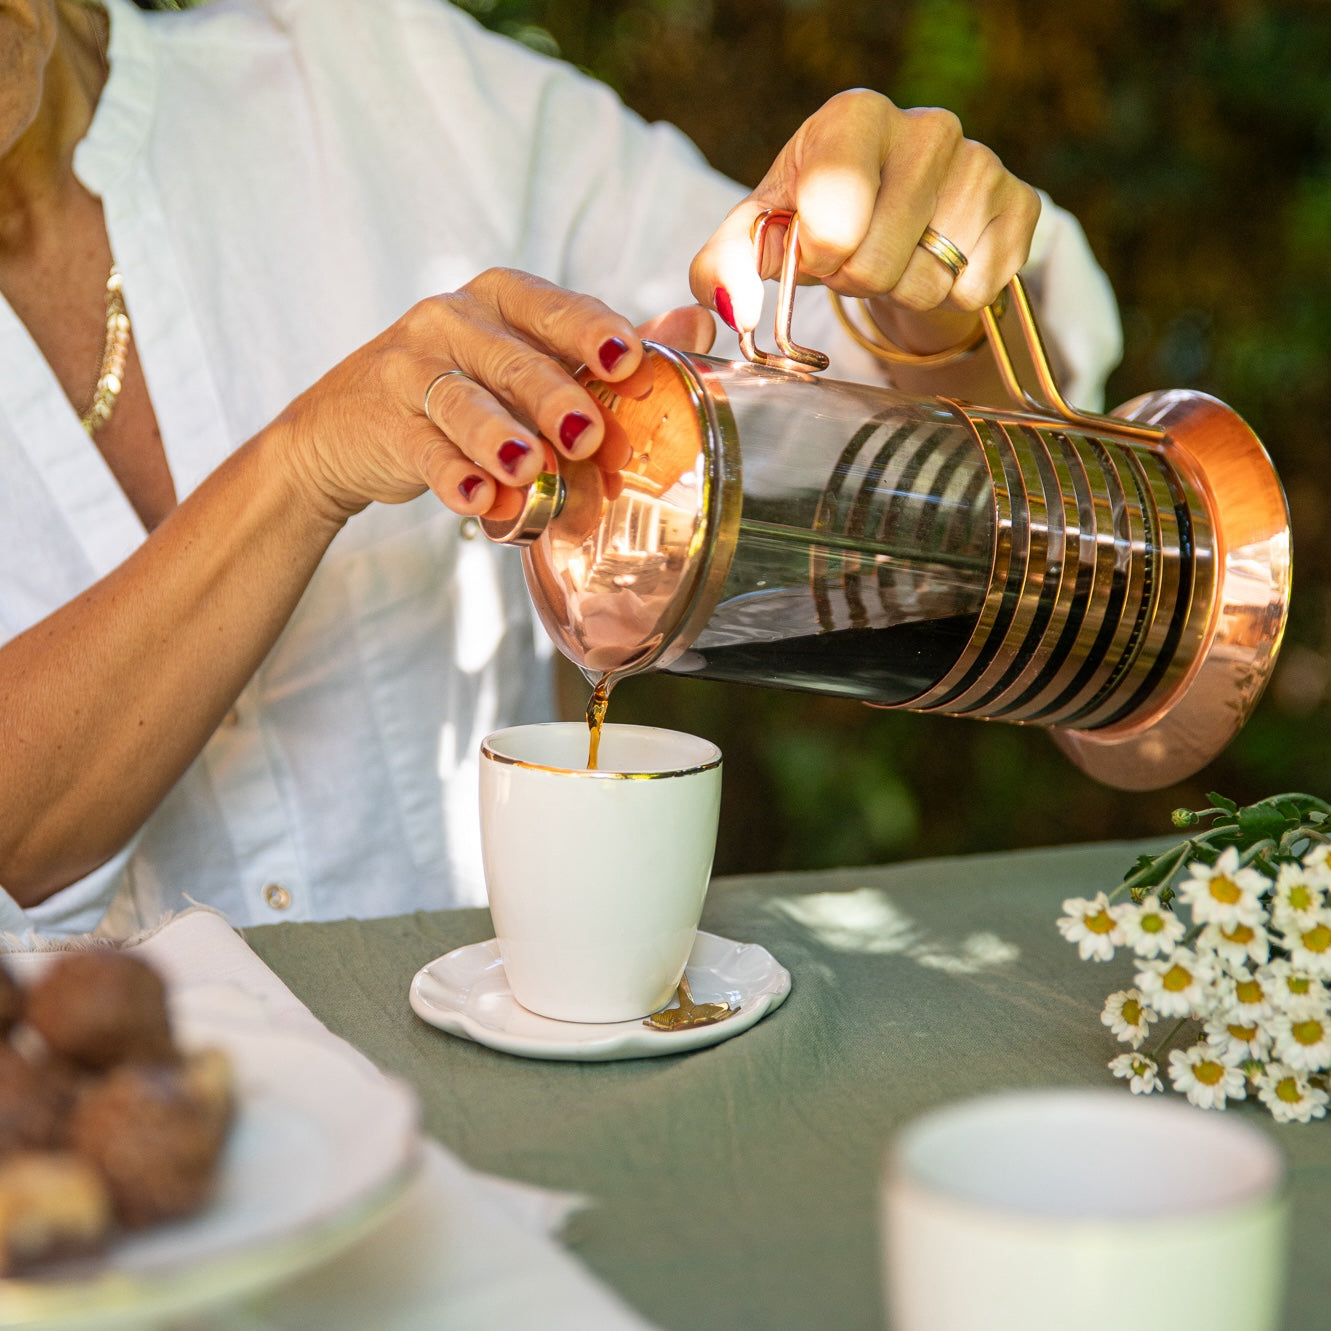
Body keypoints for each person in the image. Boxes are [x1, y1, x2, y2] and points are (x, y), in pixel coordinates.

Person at [0, 0, 1121, 936]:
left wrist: (913, 295)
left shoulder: (381, 77)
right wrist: (302, 468)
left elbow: (887, 409)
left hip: (502, 1095)